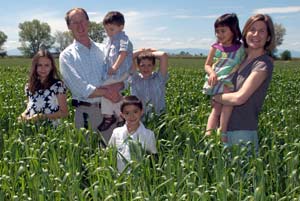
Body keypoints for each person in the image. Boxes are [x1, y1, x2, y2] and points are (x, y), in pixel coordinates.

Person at [214, 14, 276, 153]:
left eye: (262, 31)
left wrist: (215, 96)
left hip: (242, 132)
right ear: (245, 32)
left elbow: (239, 98)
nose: (256, 34)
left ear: (268, 37)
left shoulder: (262, 64)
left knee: (242, 174)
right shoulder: (240, 59)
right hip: (223, 130)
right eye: (252, 29)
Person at [59, 8, 123, 137]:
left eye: (82, 21)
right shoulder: (66, 56)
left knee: (116, 154)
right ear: (69, 26)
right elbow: (80, 88)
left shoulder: (105, 49)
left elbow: (122, 74)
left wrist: (119, 86)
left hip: (113, 111)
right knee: (90, 155)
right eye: (74, 22)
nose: (80, 25)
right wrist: (108, 93)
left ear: (88, 22)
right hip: (86, 113)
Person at [203, 13, 245, 136]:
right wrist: (212, 73)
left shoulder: (240, 48)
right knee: (217, 109)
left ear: (233, 30)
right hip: (218, 81)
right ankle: (212, 133)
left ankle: (221, 131)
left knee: (226, 107)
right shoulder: (215, 48)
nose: (219, 34)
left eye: (223, 31)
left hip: (232, 82)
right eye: (217, 31)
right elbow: (207, 65)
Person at [98, 11, 133, 132]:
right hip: (113, 73)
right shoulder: (110, 41)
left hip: (119, 72)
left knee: (105, 89)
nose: (108, 33)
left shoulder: (123, 39)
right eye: (107, 30)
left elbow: (123, 53)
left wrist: (114, 67)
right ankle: (112, 116)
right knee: (105, 90)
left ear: (121, 27)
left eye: (111, 29)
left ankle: (117, 116)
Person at [108, 95, 157, 172]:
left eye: (135, 112)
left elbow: (153, 158)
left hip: (141, 180)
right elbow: (110, 154)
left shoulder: (149, 135)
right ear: (122, 115)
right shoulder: (116, 133)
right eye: (127, 113)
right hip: (120, 180)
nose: (131, 116)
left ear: (141, 112)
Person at [19, 50, 68, 126]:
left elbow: (64, 113)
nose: (43, 69)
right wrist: (23, 115)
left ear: (51, 67)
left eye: (47, 65)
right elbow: (29, 107)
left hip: (52, 129)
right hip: (32, 127)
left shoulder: (58, 85)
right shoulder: (29, 86)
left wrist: (42, 117)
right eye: (40, 65)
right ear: (35, 67)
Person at [130, 49, 168, 116]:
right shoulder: (135, 79)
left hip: (158, 119)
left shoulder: (159, 78)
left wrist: (149, 53)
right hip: (138, 120)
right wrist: (143, 50)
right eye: (142, 65)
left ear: (153, 66)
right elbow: (130, 56)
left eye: (149, 65)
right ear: (138, 66)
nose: (146, 68)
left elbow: (163, 55)